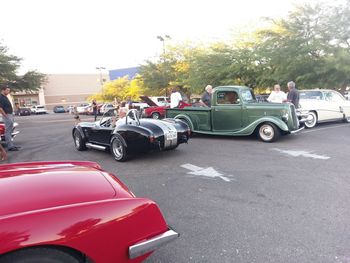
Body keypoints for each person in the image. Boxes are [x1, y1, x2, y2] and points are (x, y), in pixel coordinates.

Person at [0, 86, 20, 151]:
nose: (8, 92)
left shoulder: (5, 97)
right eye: (7, 90)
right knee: (8, 131)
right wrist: (5, 116)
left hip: (10, 115)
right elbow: (0, 108)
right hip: (7, 115)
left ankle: (11, 145)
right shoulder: (1, 97)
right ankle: (10, 147)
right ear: (3, 90)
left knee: (10, 131)